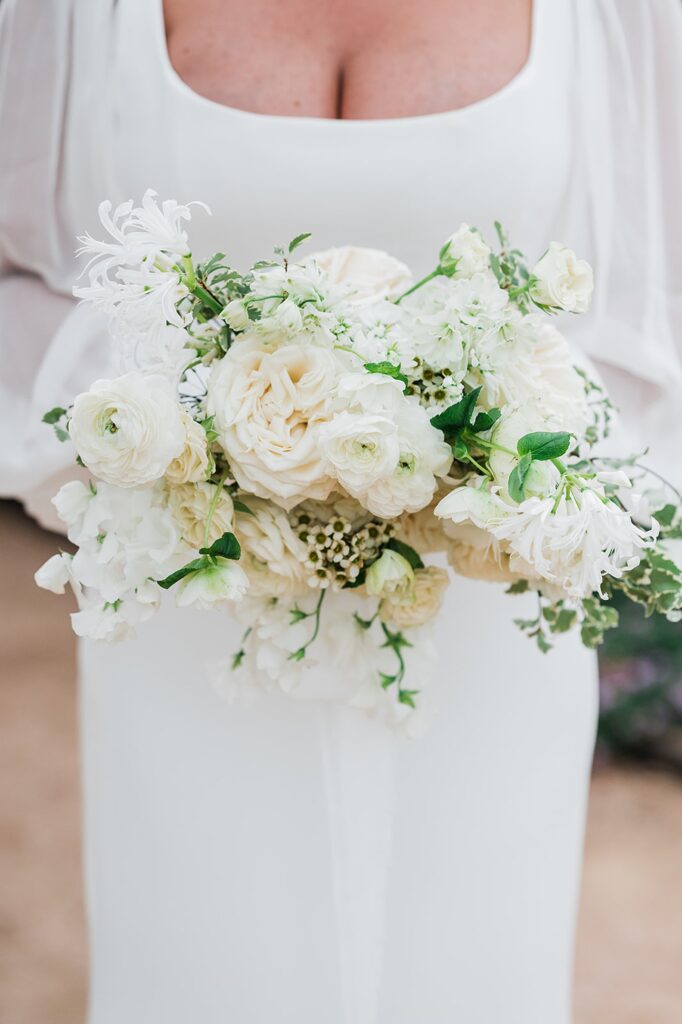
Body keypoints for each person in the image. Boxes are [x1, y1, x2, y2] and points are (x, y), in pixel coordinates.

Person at [0, 1, 680, 1021]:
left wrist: (474, 459)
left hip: (481, 604)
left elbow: (644, 312)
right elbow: (18, 280)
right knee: (203, 962)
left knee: (464, 966)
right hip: (188, 595)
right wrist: (208, 439)